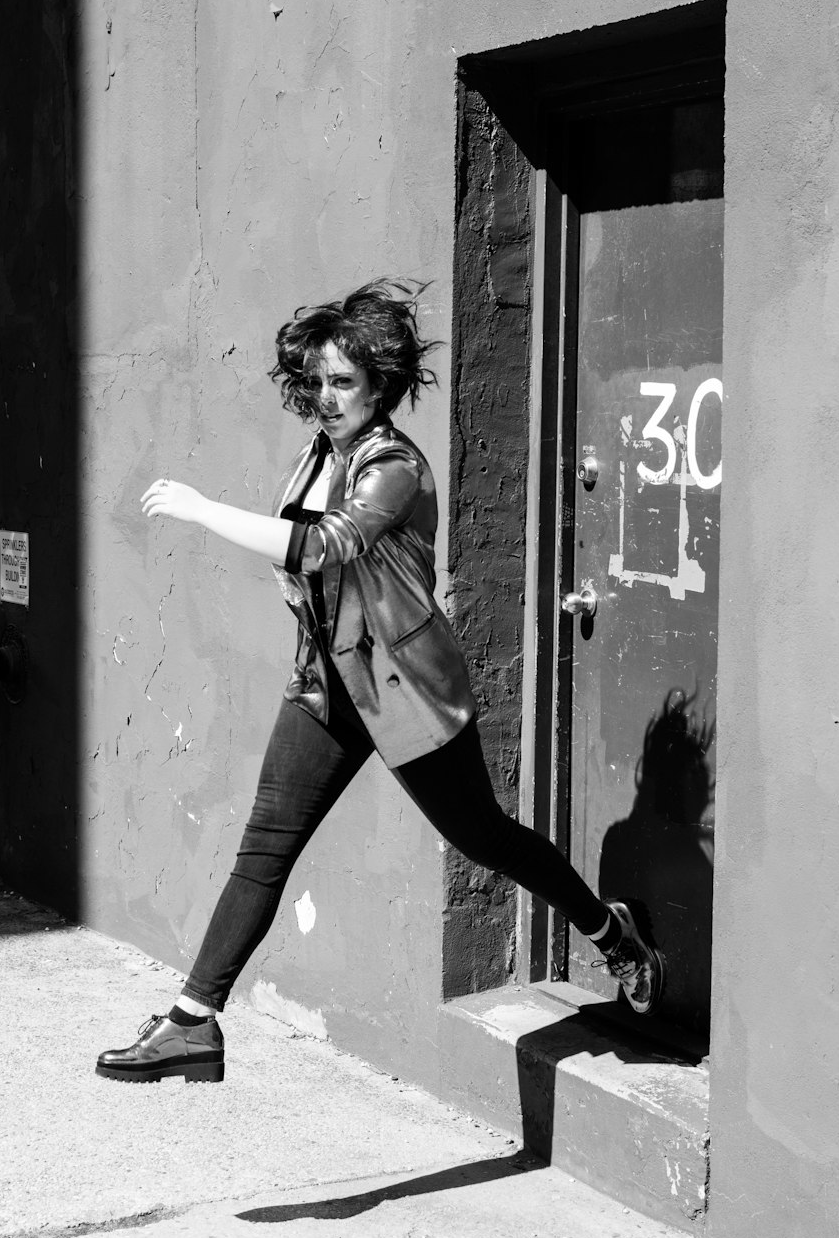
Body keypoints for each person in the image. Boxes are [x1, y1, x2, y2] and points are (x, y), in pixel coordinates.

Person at [96, 280, 664, 1084]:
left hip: (406, 696)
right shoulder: (318, 454)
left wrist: (201, 509)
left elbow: (324, 545)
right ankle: (193, 1020)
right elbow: (303, 558)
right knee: (265, 847)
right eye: (318, 381)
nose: (327, 399)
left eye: (345, 383)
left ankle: (610, 936)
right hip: (327, 688)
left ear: (381, 386)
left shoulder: (393, 465)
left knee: (486, 840)